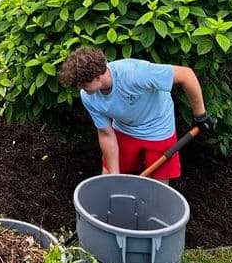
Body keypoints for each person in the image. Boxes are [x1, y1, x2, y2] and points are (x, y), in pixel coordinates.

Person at [57, 46, 215, 184]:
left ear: (98, 77)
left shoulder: (135, 73)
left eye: (83, 84)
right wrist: (114, 175)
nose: (80, 88)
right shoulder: (88, 96)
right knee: (107, 178)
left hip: (158, 128)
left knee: (157, 187)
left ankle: (152, 215)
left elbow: (186, 75)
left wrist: (200, 115)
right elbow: (106, 134)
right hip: (124, 128)